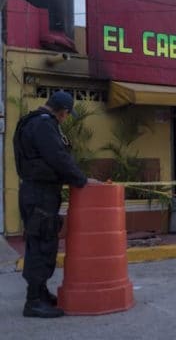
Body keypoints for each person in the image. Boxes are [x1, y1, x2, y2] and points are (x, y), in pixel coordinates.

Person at [13, 90, 98, 318]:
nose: (65, 118)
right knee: (42, 244)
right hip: (40, 193)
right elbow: (58, 157)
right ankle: (33, 302)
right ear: (63, 112)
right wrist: (81, 179)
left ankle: (40, 294)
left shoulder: (33, 121)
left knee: (41, 241)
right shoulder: (43, 124)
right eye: (66, 115)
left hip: (37, 191)